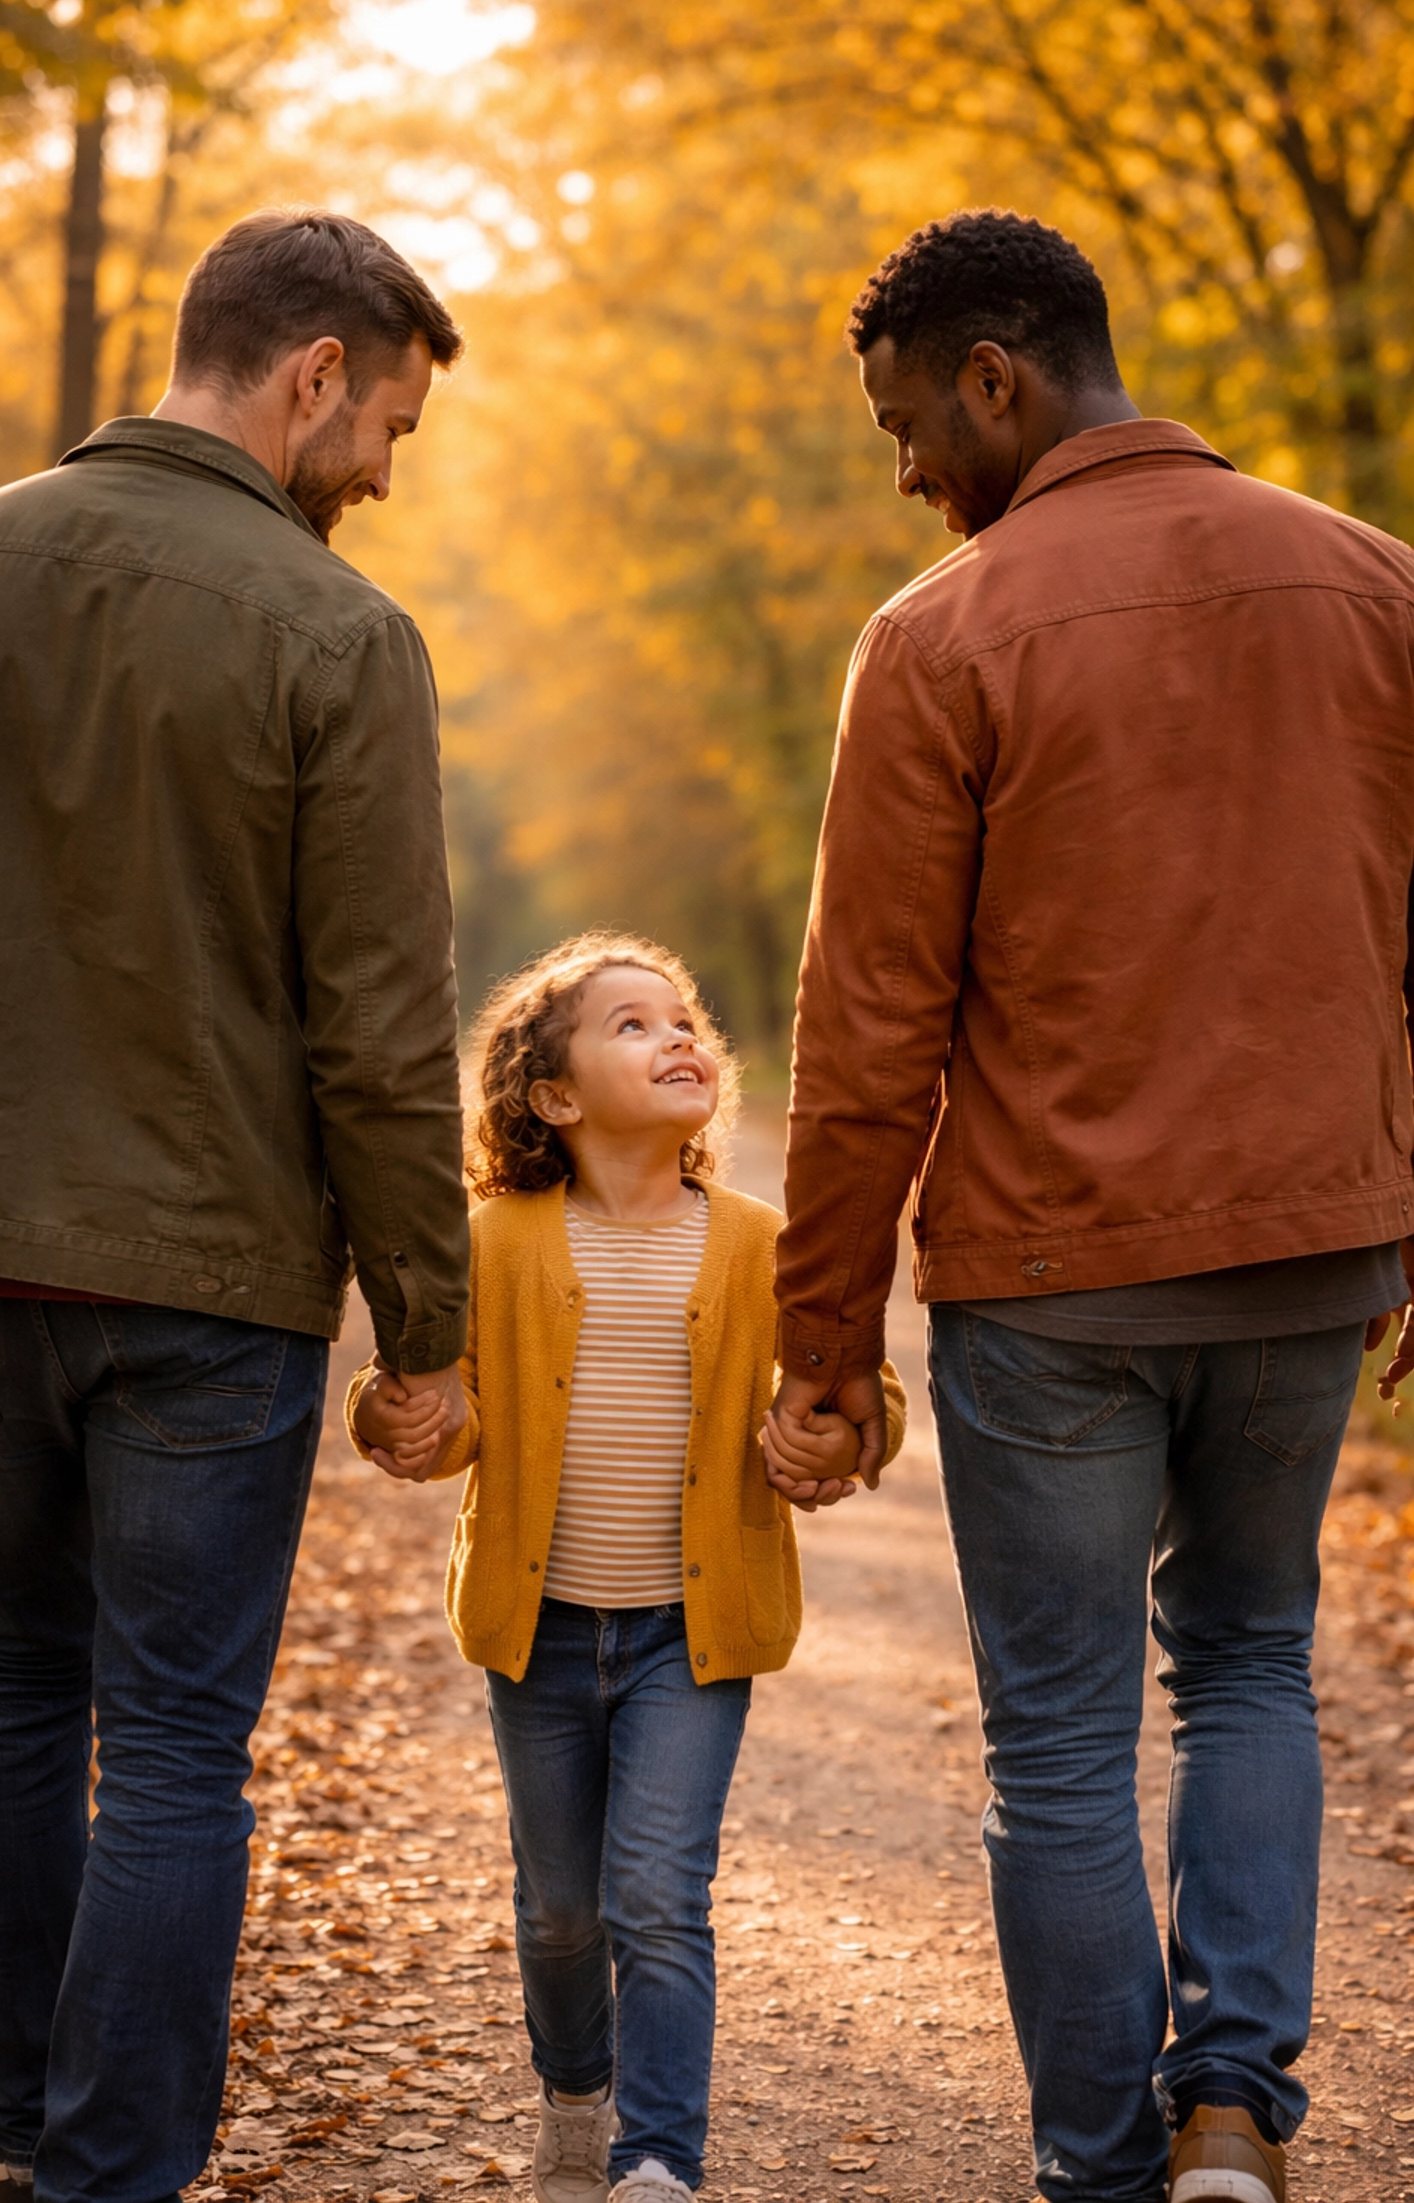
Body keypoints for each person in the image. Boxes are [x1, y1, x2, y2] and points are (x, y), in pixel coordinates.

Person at [763, 206, 1414, 2203]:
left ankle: (1097, 2172)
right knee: (1246, 1659)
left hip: (1052, 1279)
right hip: (1312, 1246)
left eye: (903, 423)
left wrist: (824, 1347)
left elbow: (870, 1030)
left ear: (996, 378)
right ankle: (1231, 2108)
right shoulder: (1380, 587)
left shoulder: (941, 636)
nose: (904, 476)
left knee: (1058, 1744)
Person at [0, 210, 472, 2203]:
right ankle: (112, 2174)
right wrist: (432, 1323)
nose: (384, 468)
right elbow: (382, 1033)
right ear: (310, 378)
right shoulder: (339, 634)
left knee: (18, 1673)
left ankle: (23, 2121)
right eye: (386, 421)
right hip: (208, 1283)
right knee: (184, 1748)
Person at [346, 933, 905, 2203]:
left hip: (687, 1637)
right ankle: (577, 2091)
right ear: (552, 1096)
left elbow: (855, 1390)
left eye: (685, 1019)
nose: (678, 1038)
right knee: (560, 1911)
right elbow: (451, 1412)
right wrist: (398, 1421)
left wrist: (827, 1430)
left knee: (658, 1894)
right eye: (634, 1026)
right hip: (536, 1626)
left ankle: (660, 2156)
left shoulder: (766, 1244)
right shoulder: (494, 1243)